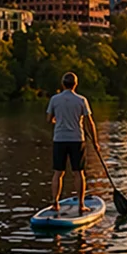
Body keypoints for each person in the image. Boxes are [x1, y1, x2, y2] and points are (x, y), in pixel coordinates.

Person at [45, 72, 99, 214]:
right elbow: (90, 123)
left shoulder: (54, 99)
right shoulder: (81, 100)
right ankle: (81, 205)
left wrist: (55, 120)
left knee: (58, 173)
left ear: (63, 84)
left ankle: (55, 203)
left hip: (59, 139)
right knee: (78, 172)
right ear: (75, 84)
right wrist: (95, 141)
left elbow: (49, 119)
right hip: (77, 139)